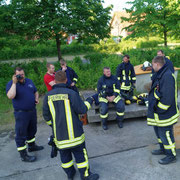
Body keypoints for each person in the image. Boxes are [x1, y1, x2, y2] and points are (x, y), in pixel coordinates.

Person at [43, 71, 99, 180]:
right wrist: (90, 100)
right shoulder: (71, 93)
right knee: (81, 156)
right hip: (75, 136)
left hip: (60, 137)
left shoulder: (48, 96)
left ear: (55, 81)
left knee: (65, 158)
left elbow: (46, 116)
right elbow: (82, 109)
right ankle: (85, 176)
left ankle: (70, 174)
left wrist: (54, 126)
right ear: (65, 80)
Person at [6, 67, 44, 162]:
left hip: (32, 111)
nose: (21, 76)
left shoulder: (29, 81)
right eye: (19, 75)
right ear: (15, 75)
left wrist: (36, 98)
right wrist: (14, 83)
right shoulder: (11, 84)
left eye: (22, 74)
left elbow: (35, 91)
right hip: (21, 114)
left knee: (32, 130)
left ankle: (31, 146)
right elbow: (10, 96)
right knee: (21, 134)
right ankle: (24, 155)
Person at [147, 56, 179, 165]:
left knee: (166, 134)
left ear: (157, 64)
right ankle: (163, 149)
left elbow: (167, 99)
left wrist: (158, 109)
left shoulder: (167, 76)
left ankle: (171, 155)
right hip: (158, 113)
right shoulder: (161, 74)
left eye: (152, 64)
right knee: (159, 132)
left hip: (165, 114)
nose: (151, 66)